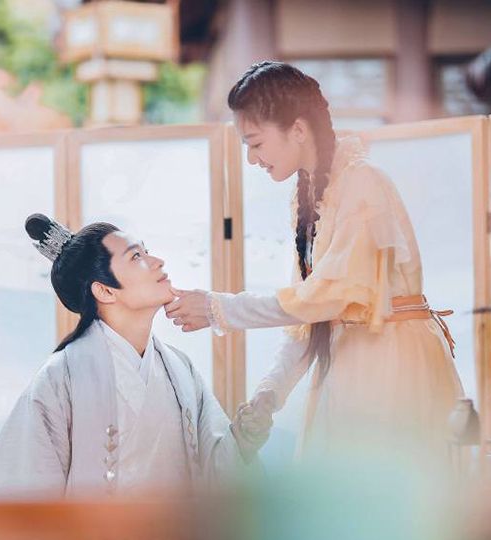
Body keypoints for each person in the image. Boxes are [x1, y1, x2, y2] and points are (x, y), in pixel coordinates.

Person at [164, 61, 464, 460]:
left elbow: (326, 299)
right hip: (348, 365)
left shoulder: (363, 182)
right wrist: (270, 394)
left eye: (256, 143)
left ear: (299, 130)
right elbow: (308, 316)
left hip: (391, 367)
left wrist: (220, 308)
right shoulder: (308, 195)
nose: (251, 159)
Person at [0, 214, 249, 499]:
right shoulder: (61, 378)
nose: (157, 261)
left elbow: (215, 470)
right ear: (105, 290)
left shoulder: (180, 369)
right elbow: (24, 494)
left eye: (146, 251)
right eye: (136, 257)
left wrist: (242, 440)